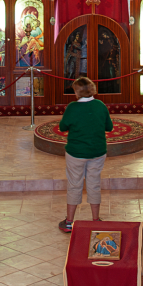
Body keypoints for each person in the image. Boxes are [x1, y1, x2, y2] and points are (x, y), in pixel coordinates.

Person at [57, 76, 113, 232]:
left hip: (76, 153)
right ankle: (95, 220)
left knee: (74, 185)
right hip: (97, 152)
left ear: (77, 91)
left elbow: (62, 127)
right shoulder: (100, 106)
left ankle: (69, 222)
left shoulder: (72, 107)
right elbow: (109, 127)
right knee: (94, 184)